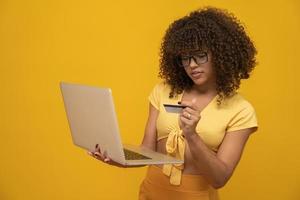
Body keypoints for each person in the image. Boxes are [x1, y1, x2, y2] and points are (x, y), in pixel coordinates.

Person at [88, 6, 258, 200]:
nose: (192, 64)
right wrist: (115, 157)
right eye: (185, 58)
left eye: (200, 55)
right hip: (151, 192)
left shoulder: (241, 110)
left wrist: (192, 135)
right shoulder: (163, 91)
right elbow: (146, 151)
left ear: (220, 53)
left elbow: (220, 178)